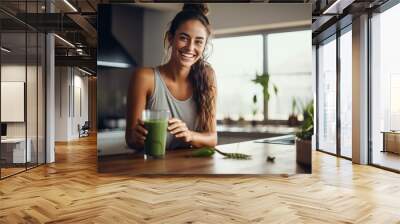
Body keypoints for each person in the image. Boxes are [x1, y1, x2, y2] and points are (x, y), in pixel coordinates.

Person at [125, 3, 217, 150]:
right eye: (184, 38)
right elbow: (130, 139)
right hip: (148, 165)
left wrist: (189, 135)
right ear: (170, 38)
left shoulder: (207, 76)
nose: (190, 47)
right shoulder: (144, 77)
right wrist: (137, 137)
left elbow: (212, 138)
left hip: (187, 167)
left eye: (198, 41)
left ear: (204, 45)